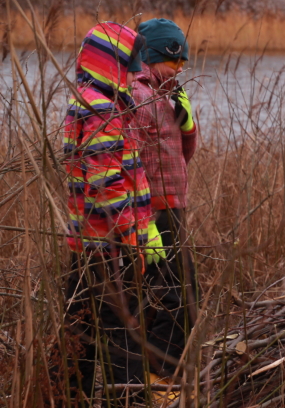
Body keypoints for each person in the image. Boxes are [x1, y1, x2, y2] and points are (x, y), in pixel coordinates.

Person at [61, 22, 160, 406]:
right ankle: (130, 401)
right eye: (130, 62)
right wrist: (135, 232)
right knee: (124, 336)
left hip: (87, 243)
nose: (137, 71)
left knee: (80, 330)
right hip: (109, 247)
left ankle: (71, 397)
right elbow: (107, 183)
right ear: (111, 63)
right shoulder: (101, 108)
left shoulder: (95, 101)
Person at [130, 18, 199, 381]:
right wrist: (144, 225)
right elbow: (129, 164)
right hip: (154, 213)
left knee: (174, 297)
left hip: (174, 207)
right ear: (154, 55)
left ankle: (154, 377)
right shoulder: (139, 98)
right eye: (175, 62)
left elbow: (182, 158)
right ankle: (159, 380)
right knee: (180, 300)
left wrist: (186, 124)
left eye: (184, 64)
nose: (180, 70)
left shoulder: (166, 96)